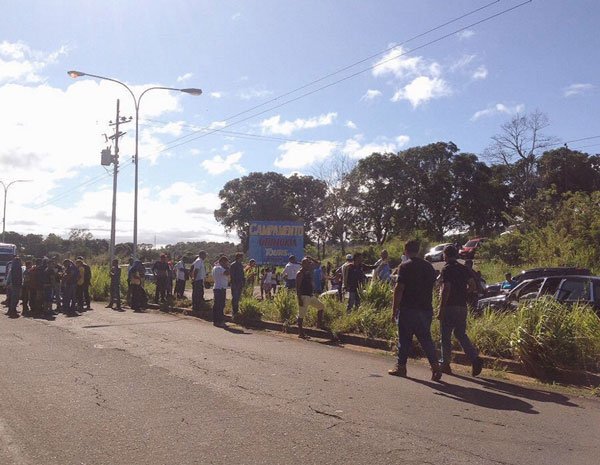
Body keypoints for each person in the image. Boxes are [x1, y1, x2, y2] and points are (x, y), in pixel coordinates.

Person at [388, 240, 442, 381]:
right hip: (425, 309)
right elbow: (434, 286)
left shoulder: (405, 267)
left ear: (405, 250)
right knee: (426, 339)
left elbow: (399, 289)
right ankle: (435, 366)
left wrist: (394, 310)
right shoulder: (429, 267)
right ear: (418, 250)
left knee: (404, 339)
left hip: (408, 309)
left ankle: (401, 367)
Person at [438, 245, 484, 376]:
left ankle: (445, 363)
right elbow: (473, 285)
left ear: (445, 255)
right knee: (460, 334)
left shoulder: (446, 269)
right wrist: (463, 293)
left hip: (449, 306)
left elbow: (446, 289)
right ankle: (474, 358)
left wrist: (441, 308)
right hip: (462, 306)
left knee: (445, 335)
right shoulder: (463, 269)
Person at [296, 256, 325, 338]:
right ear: (302, 264)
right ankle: (300, 333)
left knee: (321, 306)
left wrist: (311, 258)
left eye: (309, 263)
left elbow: (318, 263)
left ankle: (319, 324)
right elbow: (297, 287)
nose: (309, 264)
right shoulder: (300, 273)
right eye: (307, 263)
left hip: (310, 295)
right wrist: (299, 299)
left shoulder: (308, 271)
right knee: (301, 315)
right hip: (304, 296)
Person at [212, 255, 229, 327]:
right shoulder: (219, 268)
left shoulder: (215, 267)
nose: (226, 264)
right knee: (220, 306)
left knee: (217, 305)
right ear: (222, 261)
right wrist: (228, 267)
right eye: (226, 263)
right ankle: (219, 321)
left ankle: (216, 320)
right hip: (220, 288)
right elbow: (227, 273)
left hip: (218, 288)